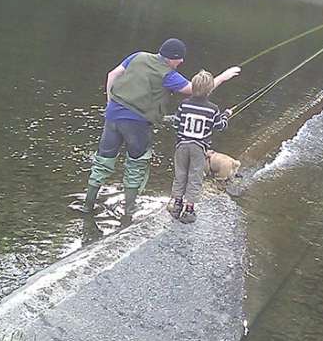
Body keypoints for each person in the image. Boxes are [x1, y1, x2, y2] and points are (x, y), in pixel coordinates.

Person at [81, 38, 240, 224]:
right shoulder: (168, 75)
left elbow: (112, 75)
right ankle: (129, 211)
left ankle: (87, 205)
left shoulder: (137, 56)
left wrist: (110, 103)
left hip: (112, 117)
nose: (181, 62)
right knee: (136, 164)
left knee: (103, 161)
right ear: (172, 58)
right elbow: (195, 90)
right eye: (179, 59)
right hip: (137, 124)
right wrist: (223, 76)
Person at [168, 70, 231, 224]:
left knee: (180, 174)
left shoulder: (183, 104)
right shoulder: (213, 108)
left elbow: (176, 123)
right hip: (199, 148)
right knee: (195, 177)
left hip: (182, 146)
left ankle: (176, 204)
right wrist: (226, 116)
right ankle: (189, 209)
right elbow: (219, 126)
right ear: (210, 90)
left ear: (193, 87)